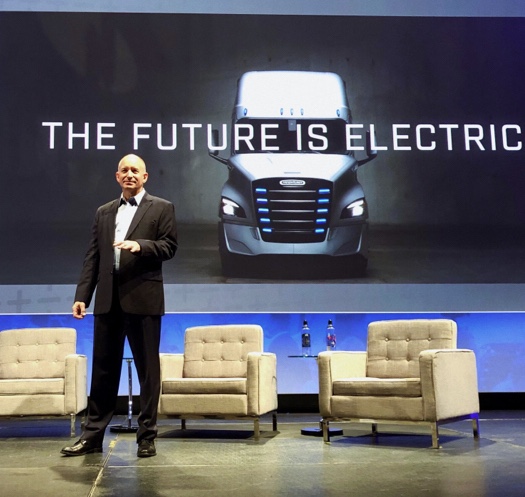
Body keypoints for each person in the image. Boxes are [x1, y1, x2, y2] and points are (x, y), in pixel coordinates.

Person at [61, 154, 178, 458]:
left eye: (135, 170)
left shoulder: (162, 208)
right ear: (117, 176)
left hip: (144, 299)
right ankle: (92, 436)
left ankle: (147, 437)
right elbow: (93, 258)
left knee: (148, 372)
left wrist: (140, 246)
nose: (129, 174)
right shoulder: (103, 212)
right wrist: (82, 296)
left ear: (145, 176)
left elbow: (169, 246)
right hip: (108, 302)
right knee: (102, 372)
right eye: (124, 170)